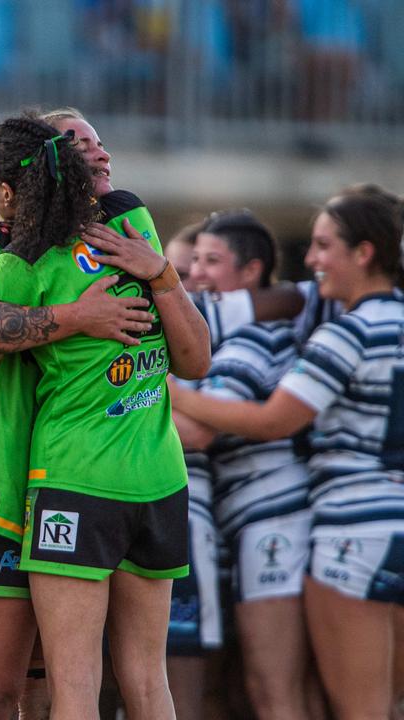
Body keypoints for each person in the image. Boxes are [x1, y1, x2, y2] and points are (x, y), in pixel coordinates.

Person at [0, 113, 211, 718]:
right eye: (82, 145)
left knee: (70, 688)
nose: (100, 154)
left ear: (12, 186)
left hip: (72, 478)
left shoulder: (23, 258)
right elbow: (195, 363)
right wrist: (87, 313)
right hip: (152, 477)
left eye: (98, 141)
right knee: (144, 683)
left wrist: (160, 276)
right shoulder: (129, 224)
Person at [171, 190, 404, 719]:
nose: (312, 259)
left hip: (343, 527)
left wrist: (170, 392)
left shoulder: (346, 331)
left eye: (323, 245)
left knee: (330, 703)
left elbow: (273, 420)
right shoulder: (375, 319)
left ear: (364, 252)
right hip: (385, 518)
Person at [175, 210, 319, 719]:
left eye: (212, 261)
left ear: (251, 271)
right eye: (194, 261)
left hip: (273, 516)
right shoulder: (225, 324)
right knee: (252, 689)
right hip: (244, 519)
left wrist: (158, 389)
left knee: (274, 690)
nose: (197, 273)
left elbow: (199, 433)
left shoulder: (256, 336)